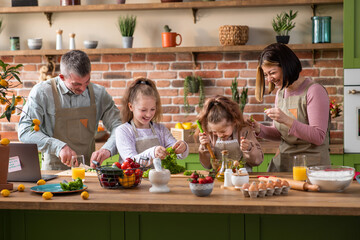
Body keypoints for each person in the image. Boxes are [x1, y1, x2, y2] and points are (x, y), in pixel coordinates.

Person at [18, 50, 122, 170]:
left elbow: (119, 127)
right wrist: (58, 147)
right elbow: (25, 131)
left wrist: (108, 149)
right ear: (62, 77)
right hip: (53, 173)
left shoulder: (100, 94)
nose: (83, 89)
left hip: (88, 171)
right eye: (77, 84)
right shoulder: (42, 92)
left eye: (87, 82)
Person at [251, 43, 330, 172]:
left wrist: (286, 119)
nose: (269, 80)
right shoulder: (281, 93)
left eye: (272, 73)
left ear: (286, 66)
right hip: (283, 164)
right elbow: (282, 134)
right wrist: (259, 129)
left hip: (311, 167)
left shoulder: (314, 91)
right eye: (266, 75)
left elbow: (318, 137)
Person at [115, 77, 189, 164]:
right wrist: (152, 153)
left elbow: (176, 152)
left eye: (152, 109)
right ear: (131, 107)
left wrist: (183, 147)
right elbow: (131, 161)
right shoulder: (123, 131)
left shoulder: (161, 129)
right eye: (143, 110)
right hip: (133, 177)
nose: (149, 114)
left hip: (158, 177)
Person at [197, 95, 263, 172]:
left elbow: (258, 161)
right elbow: (207, 165)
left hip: (242, 178)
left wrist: (249, 149)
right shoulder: (209, 135)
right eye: (214, 132)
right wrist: (205, 148)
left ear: (234, 122)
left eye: (223, 131)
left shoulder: (244, 131)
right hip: (219, 178)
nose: (219, 135)